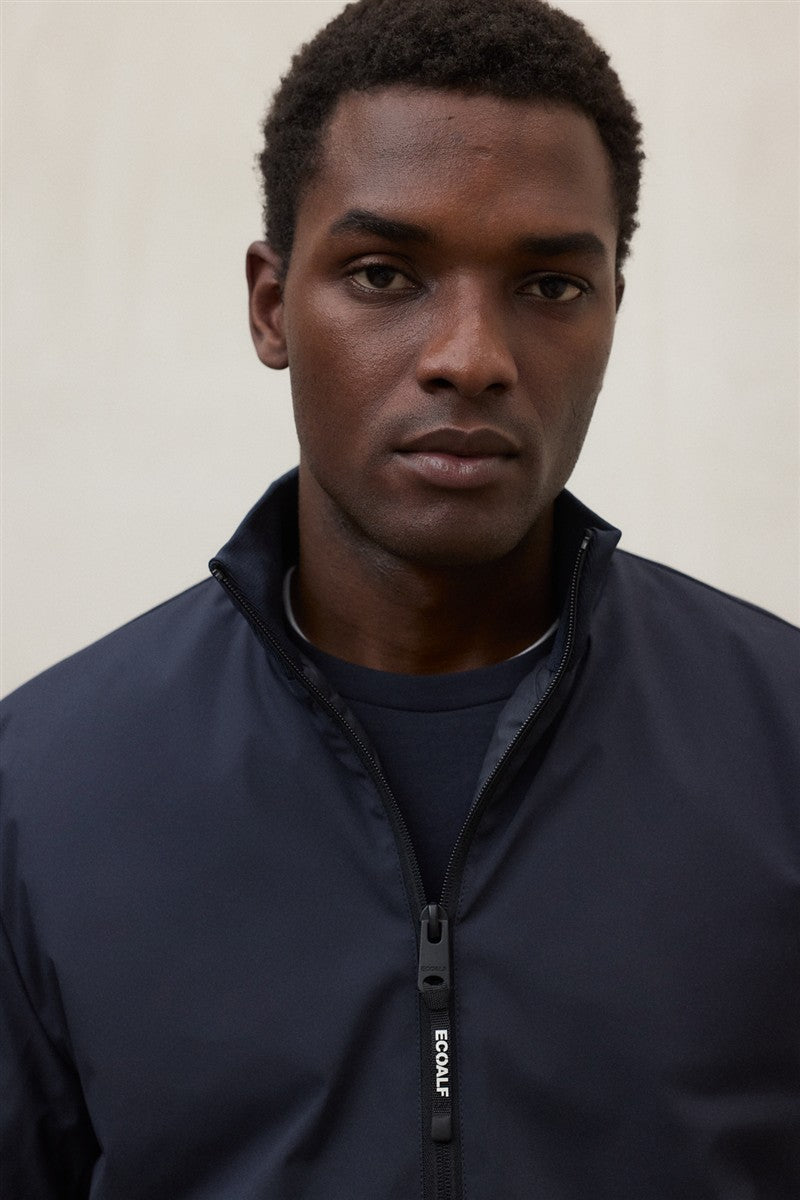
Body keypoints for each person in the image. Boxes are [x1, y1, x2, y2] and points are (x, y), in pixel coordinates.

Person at [1, 0, 798, 1196]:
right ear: (271, 304)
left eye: (548, 286)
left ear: (611, 311)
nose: (469, 356)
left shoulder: (781, 743)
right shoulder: (39, 792)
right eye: (383, 275)